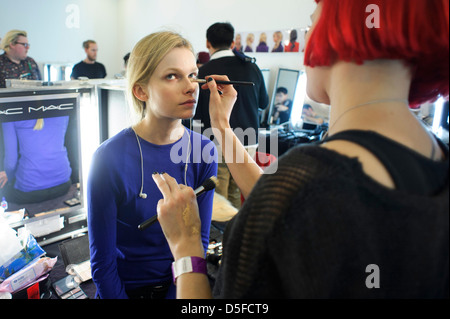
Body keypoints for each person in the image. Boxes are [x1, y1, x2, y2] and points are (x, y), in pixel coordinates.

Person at [153, 0, 449, 299]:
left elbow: (295, 205)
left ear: (339, 32)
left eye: (311, 25)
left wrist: (186, 248)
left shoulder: (311, 185)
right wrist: (222, 127)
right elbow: (282, 208)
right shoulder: (433, 155)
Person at [87, 31, 217, 299]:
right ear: (140, 90)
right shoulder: (108, 158)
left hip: (182, 287)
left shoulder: (204, 151)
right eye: (172, 76)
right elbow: (102, 262)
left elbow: (199, 242)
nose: (191, 86)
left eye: (193, 74)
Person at [193, 22, 269, 209]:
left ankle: (223, 235)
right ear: (233, 43)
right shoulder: (252, 68)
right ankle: (234, 234)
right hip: (249, 140)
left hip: (216, 141)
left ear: (207, 43)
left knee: (218, 198)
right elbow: (263, 103)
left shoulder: (203, 72)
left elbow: (196, 114)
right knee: (237, 193)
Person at [1, 117, 72, 204]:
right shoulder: (62, 107)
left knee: (4, 193)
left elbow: (10, 163)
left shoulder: (10, 111)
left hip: (29, 190)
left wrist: (9, 175)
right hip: (63, 183)